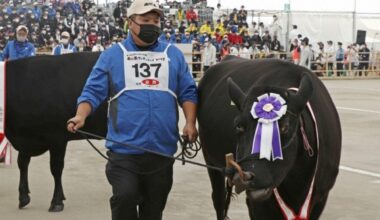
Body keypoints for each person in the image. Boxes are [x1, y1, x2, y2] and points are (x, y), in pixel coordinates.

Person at [66, 0, 198, 220]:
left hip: (161, 150)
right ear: (130, 22)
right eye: (145, 20)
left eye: (156, 21)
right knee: (125, 197)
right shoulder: (112, 55)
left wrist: (190, 122)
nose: (152, 25)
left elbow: (188, 92)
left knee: (154, 209)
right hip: (124, 150)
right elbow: (92, 92)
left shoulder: (173, 54)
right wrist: (80, 116)